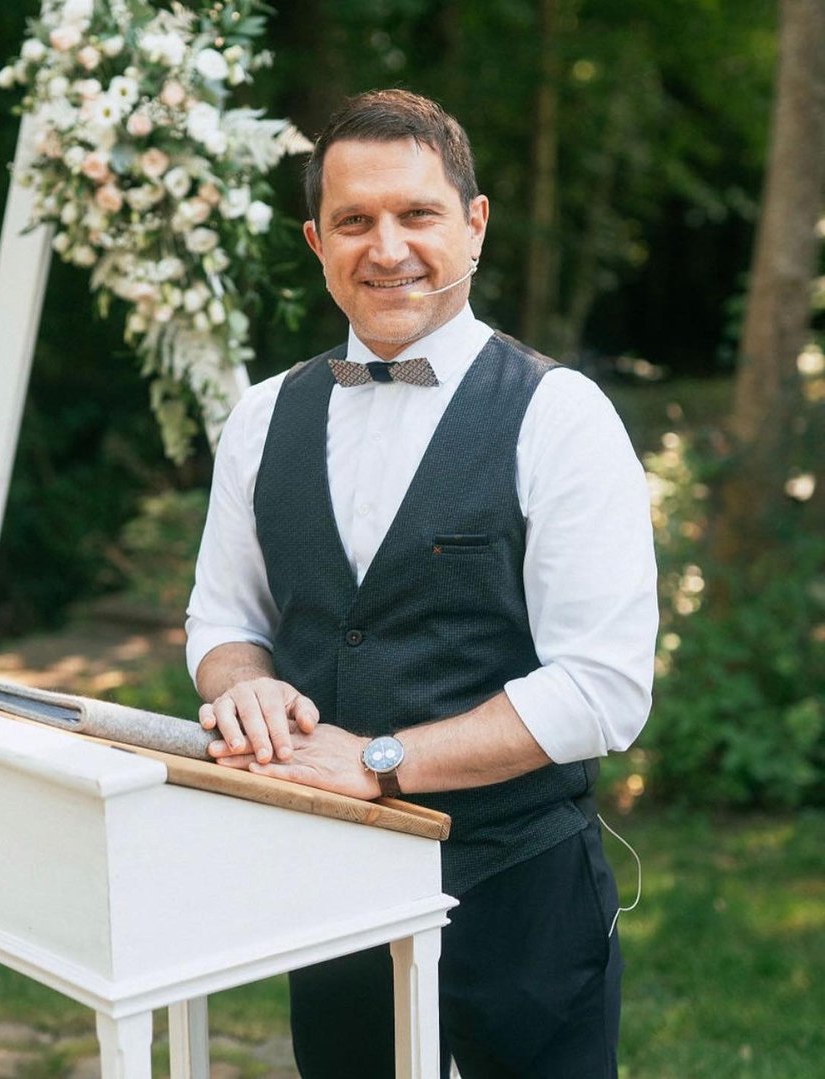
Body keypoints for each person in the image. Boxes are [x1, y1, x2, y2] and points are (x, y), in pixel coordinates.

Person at [185, 89, 658, 1079]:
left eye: (417, 213)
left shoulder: (561, 416)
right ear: (317, 242)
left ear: (474, 225)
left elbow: (602, 687)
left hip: (519, 892)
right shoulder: (262, 417)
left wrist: (380, 759)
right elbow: (225, 619)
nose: (387, 247)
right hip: (332, 886)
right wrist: (243, 685)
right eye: (355, 220)